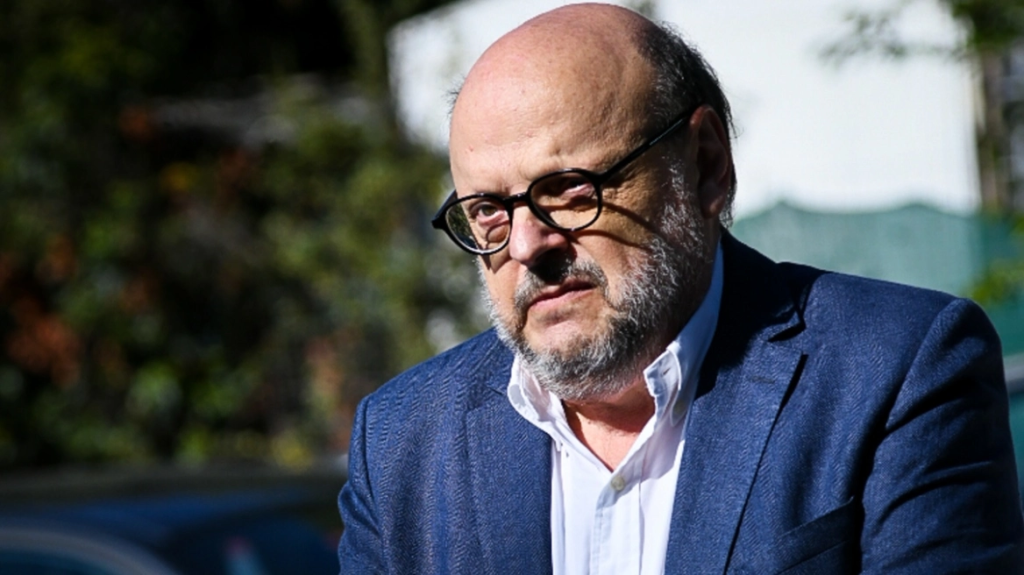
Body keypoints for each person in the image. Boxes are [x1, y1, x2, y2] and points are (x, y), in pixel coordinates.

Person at [337, 3, 1024, 573]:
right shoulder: (401, 443)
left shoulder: (897, 370)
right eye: (488, 209)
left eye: (570, 189)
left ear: (705, 164)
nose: (525, 246)